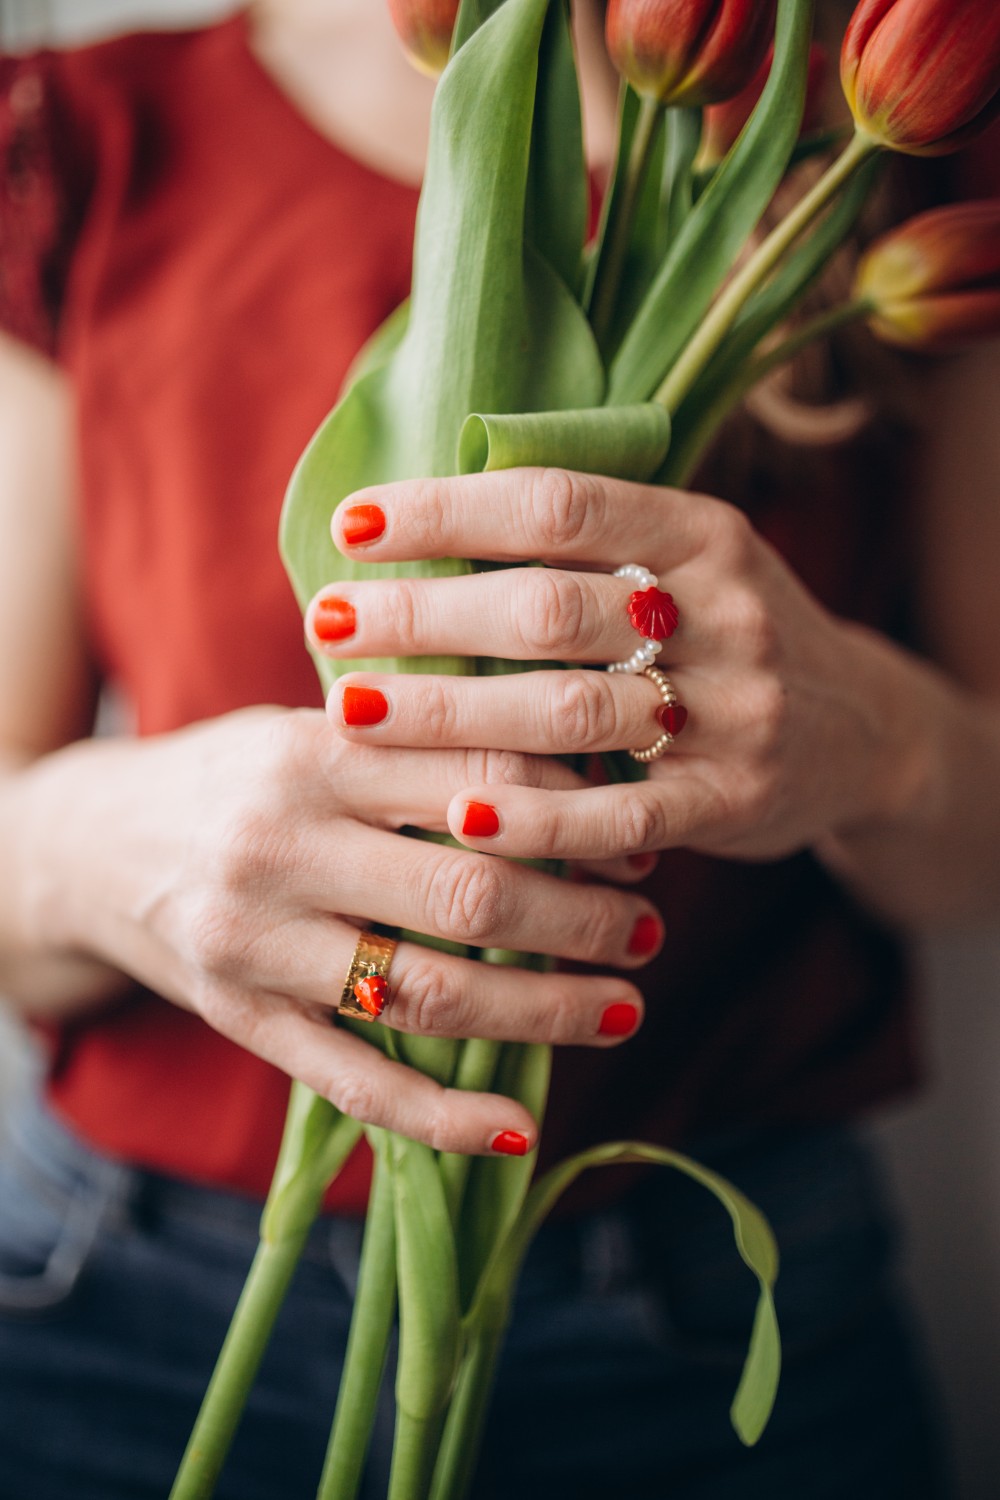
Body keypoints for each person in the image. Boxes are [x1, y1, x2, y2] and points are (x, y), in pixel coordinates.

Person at [0, 1, 996, 1495]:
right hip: (129, 1296)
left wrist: (877, 733)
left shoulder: (867, 157)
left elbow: (974, 855)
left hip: (713, 1320)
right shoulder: (86, 140)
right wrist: (113, 844)